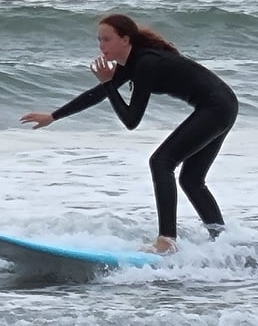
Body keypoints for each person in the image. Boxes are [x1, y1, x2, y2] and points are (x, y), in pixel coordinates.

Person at [20, 14, 238, 254]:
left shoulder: (146, 64)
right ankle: (223, 244)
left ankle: (166, 241)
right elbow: (98, 94)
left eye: (107, 39)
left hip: (217, 107)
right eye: (99, 40)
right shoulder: (133, 63)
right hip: (222, 105)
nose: (101, 46)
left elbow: (131, 120)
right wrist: (53, 116)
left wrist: (107, 83)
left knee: (161, 162)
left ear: (125, 39)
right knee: (191, 179)